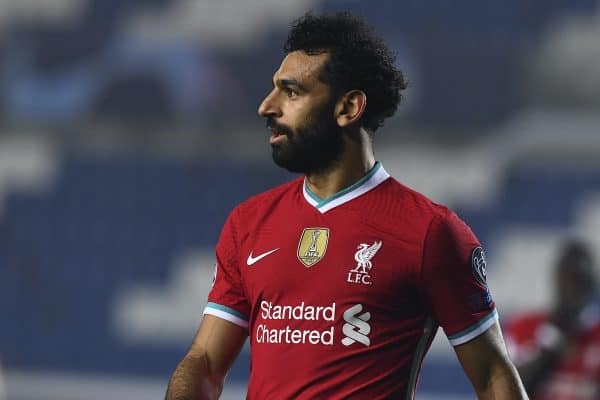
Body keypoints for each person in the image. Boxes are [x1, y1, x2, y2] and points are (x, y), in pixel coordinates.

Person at [165, 12, 528, 399]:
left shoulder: (431, 232)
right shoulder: (248, 223)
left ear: (348, 108)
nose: (266, 107)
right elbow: (204, 360)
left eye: (291, 92)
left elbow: (492, 376)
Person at [505, 240, 600, 399]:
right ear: (556, 279)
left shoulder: (596, 336)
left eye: (579, 279)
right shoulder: (523, 328)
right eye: (567, 277)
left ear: (591, 285)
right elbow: (508, 391)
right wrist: (553, 338)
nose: (572, 288)